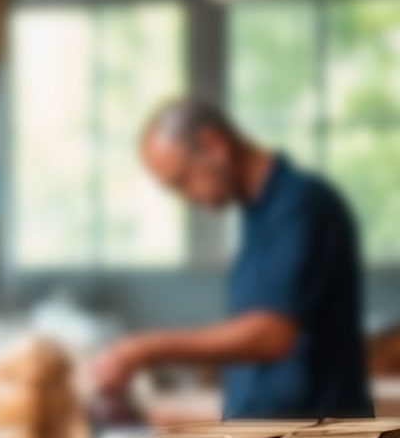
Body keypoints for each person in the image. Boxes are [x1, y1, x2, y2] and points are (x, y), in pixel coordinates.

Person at [92, 97, 370, 419]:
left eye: (182, 181)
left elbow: (271, 336)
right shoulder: (256, 217)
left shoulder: (303, 207)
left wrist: (142, 350)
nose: (187, 198)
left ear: (213, 145)